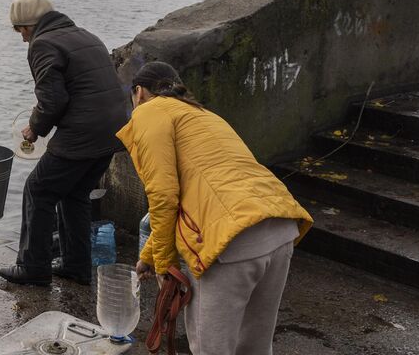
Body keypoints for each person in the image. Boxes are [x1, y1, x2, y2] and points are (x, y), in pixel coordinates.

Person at [120, 61, 313, 354]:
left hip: (232, 244)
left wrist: (164, 263)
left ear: (139, 92)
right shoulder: (203, 114)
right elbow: (203, 187)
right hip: (279, 227)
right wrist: (149, 255)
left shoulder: (148, 111)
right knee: (255, 348)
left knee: (211, 349)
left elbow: (163, 194)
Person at [0, 0, 129, 286]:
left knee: (37, 190)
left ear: (30, 26)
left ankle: (33, 267)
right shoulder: (86, 35)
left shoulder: (43, 44)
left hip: (84, 133)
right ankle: (76, 266)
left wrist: (35, 128)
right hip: (113, 132)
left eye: (21, 31)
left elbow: (53, 101)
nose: (22, 39)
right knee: (75, 194)